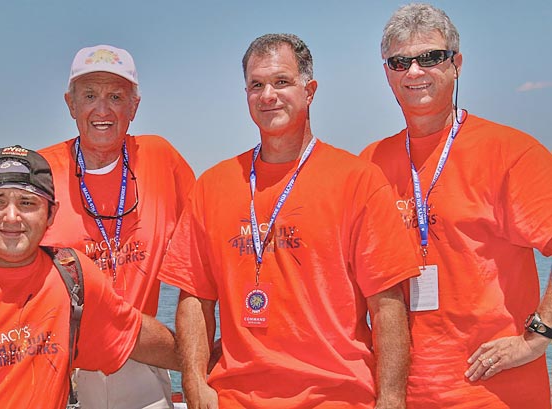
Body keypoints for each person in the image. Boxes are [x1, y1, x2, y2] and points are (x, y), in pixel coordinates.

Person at [0, 45, 195, 409]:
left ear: (134, 105)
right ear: (70, 104)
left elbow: (205, 247)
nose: (102, 109)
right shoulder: (40, 171)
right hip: (50, 358)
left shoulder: (161, 158)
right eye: (90, 95)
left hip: (136, 354)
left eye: (115, 96)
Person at [158, 33, 421, 408]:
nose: (268, 95)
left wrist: (392, 399)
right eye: (256, 85)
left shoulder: (357, 179)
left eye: (281, 82)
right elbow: (194, 298)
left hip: (336, 396)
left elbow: (388, 304)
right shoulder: (212, 185)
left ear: (309, 90)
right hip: (235, 397)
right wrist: (195, 382)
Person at [360, 4, 552, 408]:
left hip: (496, 393)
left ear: (456, 64)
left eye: (430, 57)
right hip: (396, 394)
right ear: (387, 74)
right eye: (400, 62)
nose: (414, 72)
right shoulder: (370, 164)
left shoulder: (512, 152)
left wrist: (539, 336)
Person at [0, 145, 179, 408]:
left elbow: (134, 336)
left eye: (27, 203)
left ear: (51, 214)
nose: (11, 217)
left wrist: (211, 360)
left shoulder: (71, 277)